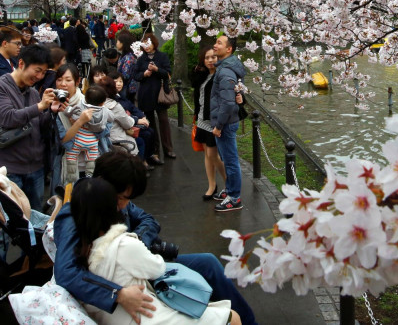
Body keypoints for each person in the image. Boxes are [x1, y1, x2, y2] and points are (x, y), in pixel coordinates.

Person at [53, 150, 257, 325]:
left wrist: (137, 241)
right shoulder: (76, 213)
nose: (124, 205)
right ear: (105, 186)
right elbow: (66, 272)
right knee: (205, 270)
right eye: (123, 198)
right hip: (121, 277)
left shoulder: (114, 200)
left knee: (207, 263)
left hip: (136, 262)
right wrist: (117, 294)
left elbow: (149, 221)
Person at [0, 43, 55, 281]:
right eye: (37, 70)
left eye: (44, 72)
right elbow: (6, 118)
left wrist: (51, 111)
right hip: (8, 172)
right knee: (1, 231)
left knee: (34, 227)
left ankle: (31, 273)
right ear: (21, 63)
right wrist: (40, 107)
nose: (40, 76)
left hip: (34, 169)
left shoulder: (33, 92)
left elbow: (39, 127)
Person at [210, 36, 246, 213]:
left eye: (219, 43)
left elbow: (228, 103)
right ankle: (230, 190)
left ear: (229, 49)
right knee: (226, 158)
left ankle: (234, 197)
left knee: (231, 161)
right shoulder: (226, 67)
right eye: (215, 42)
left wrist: (218, 125)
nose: (215, 46)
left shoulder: (225, 72)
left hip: (225, 123)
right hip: (225, 121)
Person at [192, 46, 228, 201]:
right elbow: (195, 88)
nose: (210, 60)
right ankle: (212, 186)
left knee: (213, 155)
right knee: (207, 154)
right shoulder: (204, 75)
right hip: (201, 119)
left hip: (213, 120)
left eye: (213, 57)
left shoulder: (221, 75)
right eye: (207, 58)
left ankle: (229, 183)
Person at [134, 33, 176, 160]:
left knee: (164, 122)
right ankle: (154, 150)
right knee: (151, 124)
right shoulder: (141, 59)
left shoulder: (162, 56)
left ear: (154, 44)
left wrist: (157, 69)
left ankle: (168, 149)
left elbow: (168, 73)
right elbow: (135, 75)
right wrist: (144, 74)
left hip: (160, 94)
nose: (147, 47)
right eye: (144, 44)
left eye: (149, 44)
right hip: (146, 95)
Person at [107, 70, 161, 167]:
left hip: (129, 122)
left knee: (151, 131)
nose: (119, 84)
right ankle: (142, 161)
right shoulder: (112, 100)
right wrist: (137, 120)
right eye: (115, 82)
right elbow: (122, 116)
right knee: (145, 135)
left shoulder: (121, 95)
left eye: (120, 81)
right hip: (122, 127)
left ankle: (149, 155)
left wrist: (142, 116)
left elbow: (132, 107)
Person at [61, 85, 110, 184]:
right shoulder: (105, 111)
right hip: (92, 142)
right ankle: (89, 176)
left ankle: (71, 177)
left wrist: (65, 109)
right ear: (103, 102)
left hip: (78, 139)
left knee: (71, 157)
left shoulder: (81, 106)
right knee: (92, 159)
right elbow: (111, 118)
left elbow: (69, 112)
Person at [115, 30, 138, 102]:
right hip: (124, 86)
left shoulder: (129, 57)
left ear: (123, 43)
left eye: (117, 42)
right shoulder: (124, 55)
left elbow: (125, 75)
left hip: (128, 88)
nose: (116, 44)